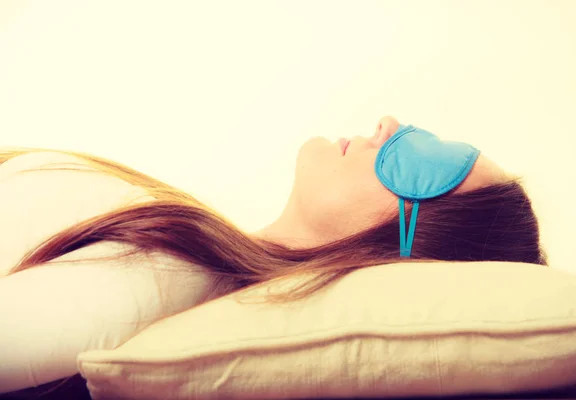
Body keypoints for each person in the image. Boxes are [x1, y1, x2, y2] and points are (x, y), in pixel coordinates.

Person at [0, 116, 547, 397]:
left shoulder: (167, 280)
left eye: (427, 162)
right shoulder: (186, 261)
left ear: (406, 249)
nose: (388, 124)